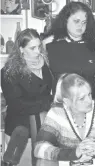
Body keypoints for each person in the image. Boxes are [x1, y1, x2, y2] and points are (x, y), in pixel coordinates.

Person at [34, 73, 95, 163]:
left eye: (89, 94)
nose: (89, 101)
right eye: (81, 98)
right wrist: (74, 154)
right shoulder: (57, 113)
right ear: (67, 101)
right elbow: (39, 148)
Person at [1, 29, 53, 166]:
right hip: (20, 130)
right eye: (32, 48)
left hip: (43, 128)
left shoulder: (44, 63)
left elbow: (47, 91)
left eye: (39, 46)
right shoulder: (9, 71)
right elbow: (17, 104)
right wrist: (49, 103)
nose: (38, 51)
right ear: (21, 49)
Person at [42, 1, 95, 95]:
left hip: (88, 102)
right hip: (60, 104)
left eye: (84, 22)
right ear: (65, 20)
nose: (80, 26)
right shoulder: (49, 44)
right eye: (76, 21)